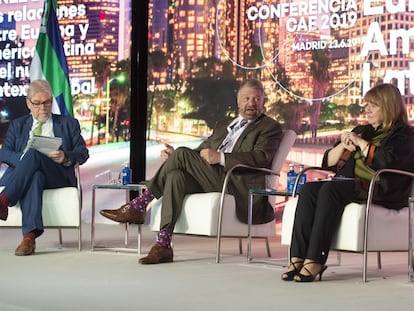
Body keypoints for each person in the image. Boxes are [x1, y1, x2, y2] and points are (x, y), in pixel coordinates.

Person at [100, 78, 283, 264]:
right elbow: (201, 150)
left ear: (263, 101)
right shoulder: (224, 125)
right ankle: (163, 245)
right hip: (213, 176)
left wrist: (220, 158)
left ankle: (140, 203)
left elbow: (261, 157)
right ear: (238, 101)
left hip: (236, 182)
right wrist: (174, 157)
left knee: (181, 155)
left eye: (256, 99)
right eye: (246, 98)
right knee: (175, 176)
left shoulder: (270, 127)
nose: (251, 103)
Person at [281, 83, 414, 282]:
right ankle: (297, 258)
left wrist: (361, 144)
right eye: (366, 105)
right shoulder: (363, 130)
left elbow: (387, 162)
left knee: (330, 189)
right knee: (309, 189)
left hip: (381, 189)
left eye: (373, 106)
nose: (366, 110)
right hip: (350, 184)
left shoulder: (404, 134)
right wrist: (343, 144)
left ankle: (316, 259)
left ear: (389, 107)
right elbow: (329, 163)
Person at [0, 80, 89, 256]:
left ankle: (4, 200)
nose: (43, 107)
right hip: (28, 175)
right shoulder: (18, 125)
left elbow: (83, 153)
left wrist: (65, 156)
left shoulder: (68, 123)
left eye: (48, 102)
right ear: (28, 103)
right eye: (38, 103)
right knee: (35, 175)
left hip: (56, 175)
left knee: (34, 153)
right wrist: (25, 159)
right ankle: (29, 238)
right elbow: (4, 153)